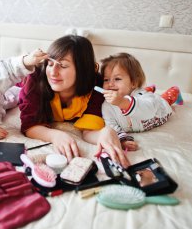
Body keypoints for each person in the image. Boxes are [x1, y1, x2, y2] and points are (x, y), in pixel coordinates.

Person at [18, 35, 130, 167]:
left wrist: (106, 133)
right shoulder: (35, 79)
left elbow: (89, 131)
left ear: (83, 69)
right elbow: (29, 126)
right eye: (50, 63)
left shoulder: (97, 87)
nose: (53, 72)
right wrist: (55, 136)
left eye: (63, 66)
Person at [100, 52, 183, 151]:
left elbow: (148, 111)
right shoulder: (106, 106)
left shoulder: (145, 98)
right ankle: (150, 88)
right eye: (106, 80)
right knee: (145, 93)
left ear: (133, 82)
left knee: (166, 98)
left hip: (159, 107)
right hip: (139, 96)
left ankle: (175, 90)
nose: (110, 84)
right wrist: (122, 140)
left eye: (117, 79)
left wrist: (122, 103)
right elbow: (111, 125)